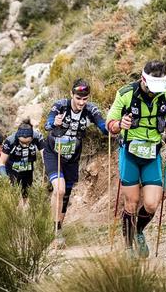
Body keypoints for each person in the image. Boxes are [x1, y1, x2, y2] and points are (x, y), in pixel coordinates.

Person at [106, 60, 166, 257]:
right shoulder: (125, 94)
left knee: (151, 204)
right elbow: (110, 125)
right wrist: (121, 123)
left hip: (152, 154)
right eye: (152, 87)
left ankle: (138, 231)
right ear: (143, 79)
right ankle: (128, 246)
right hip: (129, 154)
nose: (155, 92)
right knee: (131, 202)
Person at [44, 79, 108, 246]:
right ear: (71, 94)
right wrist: (54, 123)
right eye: (78, 98)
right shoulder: (60, 106)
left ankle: (58, 229)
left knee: (66, 195)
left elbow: (102, 125)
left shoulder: (91, 110)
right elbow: (48, 123)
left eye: (84, 98)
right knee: (59, 189)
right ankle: (56, 232)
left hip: (72, 157)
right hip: (53, 153)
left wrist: (113, 128)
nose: (81, 102)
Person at [0, 119, 45, 199]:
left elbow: (45, 154)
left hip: (28, 169)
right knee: (13, 194)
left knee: (26, 193)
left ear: (32, 137)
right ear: (18, 137)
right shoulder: (10, 141)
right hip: (12, 170)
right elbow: (1, 162)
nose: (25, 145)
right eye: (22, 142)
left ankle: (24, 209)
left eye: (28, 142)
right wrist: (5, 177)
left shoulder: (37, 136)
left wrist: (46, 163)